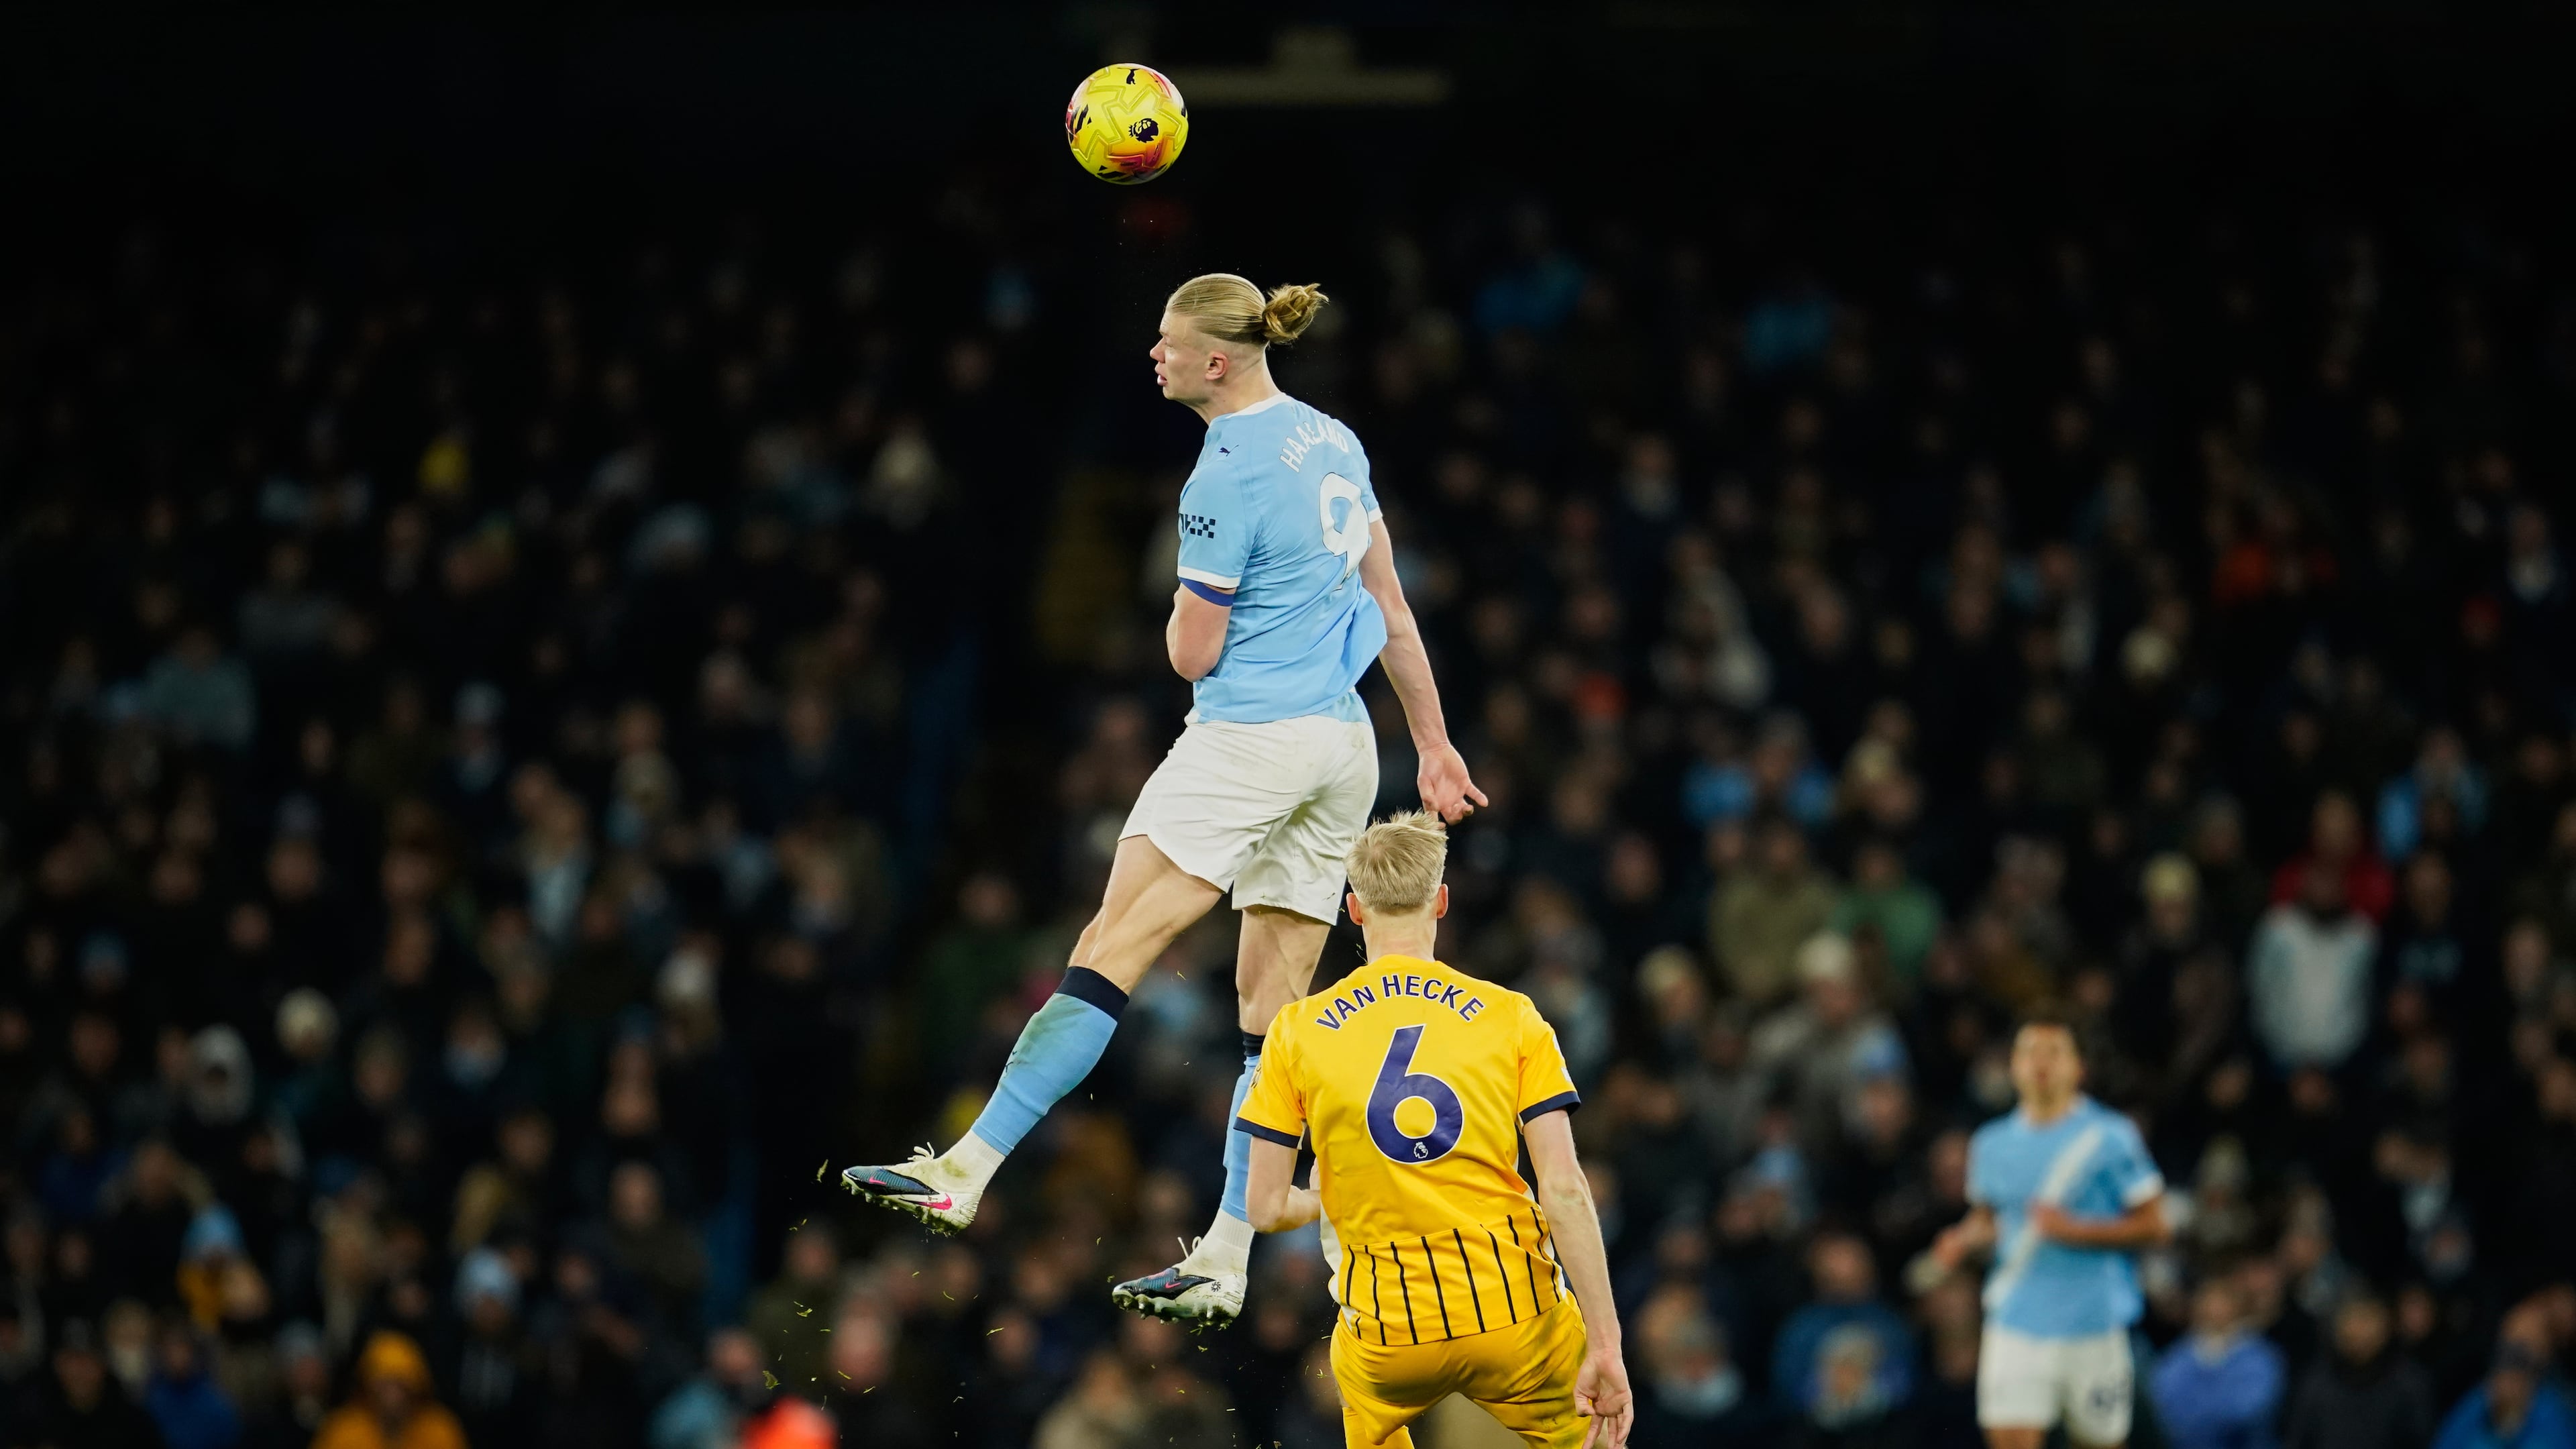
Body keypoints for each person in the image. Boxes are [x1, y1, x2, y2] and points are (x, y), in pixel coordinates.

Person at [843, 274, 1485, 1329]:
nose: (1154, 354)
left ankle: (967, 1167)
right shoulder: (1334, 439)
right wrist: (1435, 744)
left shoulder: (1221, 474)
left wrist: (1183, 615)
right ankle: (1227, 1255)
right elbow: (1391, 605)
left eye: (1168, 342)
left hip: (1247, 742)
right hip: (1344, 747)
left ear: (1214, 362)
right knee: (1271, 1016)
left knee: (1112, 946)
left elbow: (1192, 653)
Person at [1236, 811, 1631, 1447]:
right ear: (1441, 901)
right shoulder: (1512, 1016)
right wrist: (1606, 1345)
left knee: (1357, 1385)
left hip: (1388, 1333)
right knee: (1596, 1435)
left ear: (1354, 910)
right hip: (1513, 1313)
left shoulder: (1296, 1031)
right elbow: (1564, 1190)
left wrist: (1322, 1196)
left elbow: (1263, 1207)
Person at [1930, 1012, 2169, 1449]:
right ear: (2013, 1065)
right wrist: (1963, 1239)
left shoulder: (2110, 1137)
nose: (2041, 1063)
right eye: (2030, 1052)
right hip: (2016, 1316)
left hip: (2092, 1321)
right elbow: (1991, 1220)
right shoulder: (1991, 1144)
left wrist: (2076, 1230)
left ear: (2078, 1067)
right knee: (2009, 1437)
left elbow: (2155, 1226)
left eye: (2054, 1052)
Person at [2282, 1289, 2435, 1449]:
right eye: (2352, 1319)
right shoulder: (2315, 1382)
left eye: (2368, 1319)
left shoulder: (2410, 1384)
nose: (2359, 1330)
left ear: (2388, 1326)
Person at [2149, 1278, 2285, 1449]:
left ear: (2238, 1306)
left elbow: (2249, 1411)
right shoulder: (2179, 1355)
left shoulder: (2260, 1357)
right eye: (2210, 1301)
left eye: (2222, 1302)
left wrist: (2199, 1415)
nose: (2215, 1309)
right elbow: (2164, 1402)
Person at [2431, 1344, 2576, 1449]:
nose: (2508, 1388)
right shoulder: (2474, 1407)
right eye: (2502, 1379)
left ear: (2529, 1383)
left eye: (2515, 1380)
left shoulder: (2551, 1413)